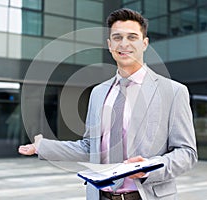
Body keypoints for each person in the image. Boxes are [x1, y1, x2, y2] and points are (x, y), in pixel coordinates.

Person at [19, 8, 197, 200]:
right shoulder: (98, 93)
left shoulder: (173, 91)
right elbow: (89, 147)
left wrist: (148, 168)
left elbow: (186, 153)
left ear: (144, 43)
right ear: (109, 44)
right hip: (101, 196)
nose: (124, 44)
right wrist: (42, 147)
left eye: (132, 37)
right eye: (117, 37)